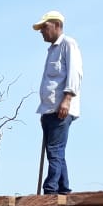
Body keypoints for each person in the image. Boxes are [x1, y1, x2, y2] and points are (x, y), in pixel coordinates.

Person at [33, 11, 82, 195]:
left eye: (45, 27)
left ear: (57, 25)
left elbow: (75, 73)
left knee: (54, 150)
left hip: (61, 108)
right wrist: (45, 111)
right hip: (49, 109)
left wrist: (67, 99)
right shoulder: (52, 50)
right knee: (55, 151)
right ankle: (63, 189)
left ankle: (50, 190)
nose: (42, 32)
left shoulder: (68, 44)